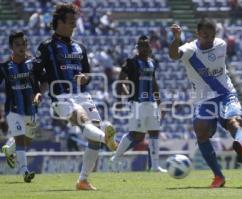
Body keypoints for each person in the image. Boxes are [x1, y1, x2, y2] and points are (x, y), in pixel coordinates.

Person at [32, 3, 117, 191]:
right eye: (71, 22)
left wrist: (84, 77)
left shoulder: (80, 47)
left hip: (83, 95)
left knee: (93, 137)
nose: (75, 25)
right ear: (60, 22)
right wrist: (38, 92)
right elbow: (38, 74)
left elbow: (87, 74)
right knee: (84, 122)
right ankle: (107, 139)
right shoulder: (47, 47)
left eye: (75, 21)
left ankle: (83, 180)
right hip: (61, 97)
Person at [169, 19, 242, 188]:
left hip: (225, 93)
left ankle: (241, 144)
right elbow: (174, 55)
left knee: (234, 121)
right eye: (205, 35)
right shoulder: (190, 49)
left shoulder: (221, 44)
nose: (209, 39)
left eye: (212, 36)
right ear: (198, 33)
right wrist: (176, 38)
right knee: (200, 130)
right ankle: (218, 176)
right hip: (204, 99)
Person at [110, 35, 166, 172]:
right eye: (142, 45)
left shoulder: (152, 62)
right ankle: (116, 157)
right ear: (138, 47)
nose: (146, 48)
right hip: (138, 103)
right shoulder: (131, 62)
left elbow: (154, 83)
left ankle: (154, 166)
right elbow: (121, 80)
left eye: (147, 45)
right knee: (136, 134)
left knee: (154, 132)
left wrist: (159, 102)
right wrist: (121, 98)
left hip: (151, 102)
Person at [0, 31, 42, 183]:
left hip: (31, 108)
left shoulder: (34, 63)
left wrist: (38, 94)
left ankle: (9, 149)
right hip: (13, 109)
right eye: (17, 44)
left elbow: (41, 82)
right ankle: (25, 171)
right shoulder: (4, 66)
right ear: (11, 46)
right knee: (20, 139)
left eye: (24, 43)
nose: (21, 47)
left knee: (27, 139)